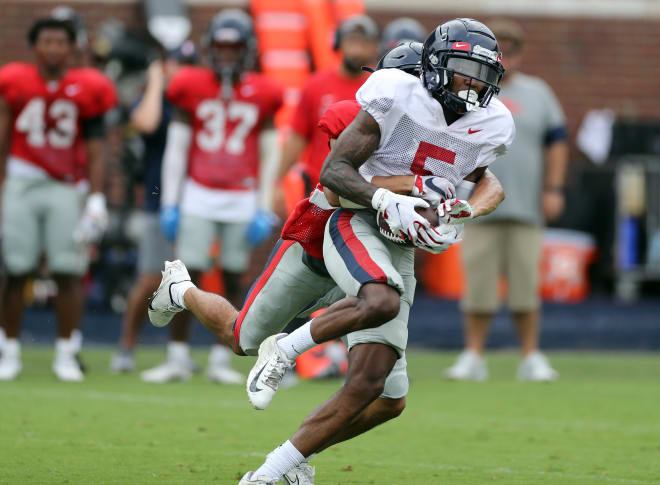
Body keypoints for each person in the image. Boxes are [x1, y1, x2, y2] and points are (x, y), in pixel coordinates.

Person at [155, 18, 514, 483]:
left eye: (481, 73)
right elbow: (337, 179)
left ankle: (281, 468)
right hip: (330, 232)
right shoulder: (372, 104)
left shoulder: (484, 124)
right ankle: (189, 293)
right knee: (246, 337)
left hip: (389, 245)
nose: (474, 82)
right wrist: (397, 198)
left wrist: (458, 209)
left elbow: (486, 180)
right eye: (464, 68)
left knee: (385, 394)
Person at [139, 9, 283, 384]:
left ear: (247, 49)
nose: (226, 55)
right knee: (185, 279)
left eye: (234, 47)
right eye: (221, 47)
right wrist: (171, 201)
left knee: (234, 276)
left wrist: (264, 206)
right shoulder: (191, 85)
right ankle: (177, 356)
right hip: (199, 193)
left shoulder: (264, 92)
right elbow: (177, 149)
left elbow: (270, 155)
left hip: (240, 196)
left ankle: (222, 357)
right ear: (208, 48)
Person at [444, 19, 568, 382]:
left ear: (521, 52)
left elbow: (557, 142)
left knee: (525, 286)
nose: (508, 54)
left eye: (514, 47)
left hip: (526, 206)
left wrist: (554, 189)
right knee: (478, 284)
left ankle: (531, 356)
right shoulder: (470, 88)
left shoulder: (539, 92)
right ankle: (473, 355)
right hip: (475, 204)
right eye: (502, 47)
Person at [0, 16, 116, 381]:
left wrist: (97, 198)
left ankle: (67, 351)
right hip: (22, 180)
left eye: (60, 42)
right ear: (34, 46)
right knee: (16, 269)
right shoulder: (15, 80)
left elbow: (97, 149)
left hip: (67, 185)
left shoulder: (88, 86)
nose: (52, 49)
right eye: (46, 41)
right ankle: (9, 350)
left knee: (69, 270)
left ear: (71, 47)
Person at [109, 43, 198, 373]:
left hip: (197, 201)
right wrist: (156, 80)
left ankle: (178, 352)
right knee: (149, 279)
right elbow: (145, 123)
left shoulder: (198, 98)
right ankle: (126, 347)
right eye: (176, 63)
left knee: (190, 281)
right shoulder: (156, 98)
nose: (182, 70)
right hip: (157, 201)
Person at [277, 14, 379, 194]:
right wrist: (278, 183)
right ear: (339, 43)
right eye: (352, 41)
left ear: (374, 47)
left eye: (364, 42)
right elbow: (297, 138)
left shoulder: (381, 87)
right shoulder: (316, 84)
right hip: (318, 188)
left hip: (362, 189)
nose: (357, 49)